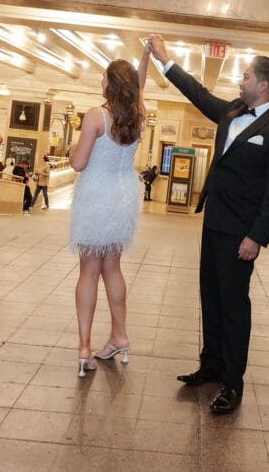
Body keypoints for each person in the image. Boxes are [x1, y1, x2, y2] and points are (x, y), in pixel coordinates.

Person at [148, 34, 269, 415]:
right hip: (214, 222)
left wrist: (256, 237)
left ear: (263, 85)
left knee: (234, 306)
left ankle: (233, 383)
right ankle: (211, 364)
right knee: (210, 297)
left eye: (245, 76)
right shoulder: (232, 111)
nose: (239, 81)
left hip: (242, 232)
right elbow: (198, 94)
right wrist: (163, 60)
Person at [68, 43, 150, 377]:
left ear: (110, 85)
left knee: (89, 270)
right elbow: (139, 87)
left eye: (103, 76)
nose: (100, 80)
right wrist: (144, 58)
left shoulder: (95, 116)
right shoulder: (138, 116)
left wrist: (76, 143)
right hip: (123, 197)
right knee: (112, 268)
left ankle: (85, 346)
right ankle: (120, 335)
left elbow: (78, 162)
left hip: (95, 197)